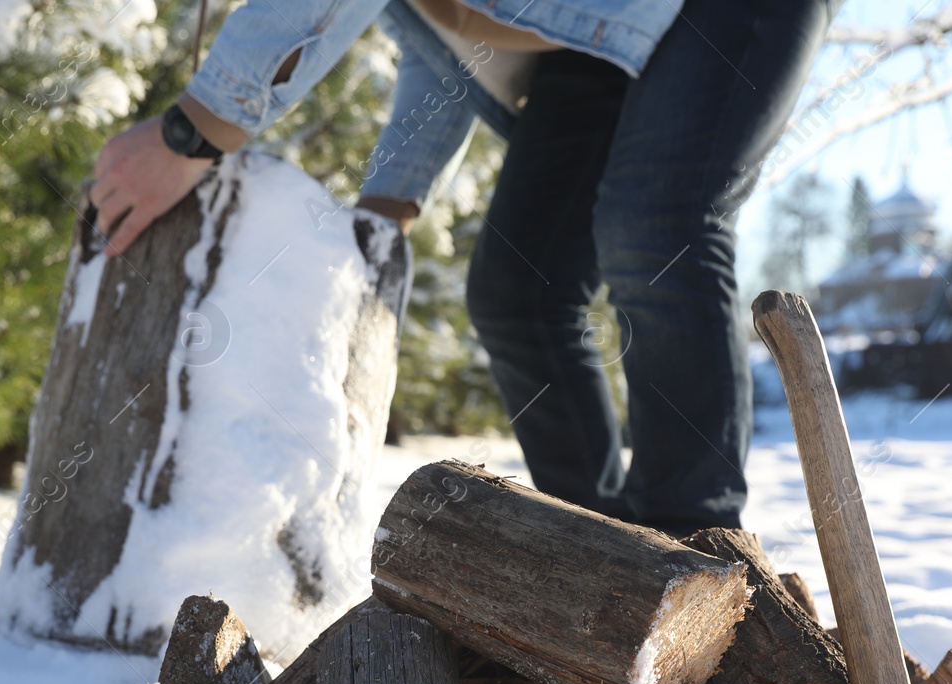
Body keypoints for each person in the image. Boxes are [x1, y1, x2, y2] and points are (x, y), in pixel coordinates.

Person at [91, 0, 839, 536]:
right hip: (592, 36)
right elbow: (441, 49)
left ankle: (697, 546)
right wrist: (384, 212)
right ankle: (602, 545)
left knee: (655, 226)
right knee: (518, 288)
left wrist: (193, 131)